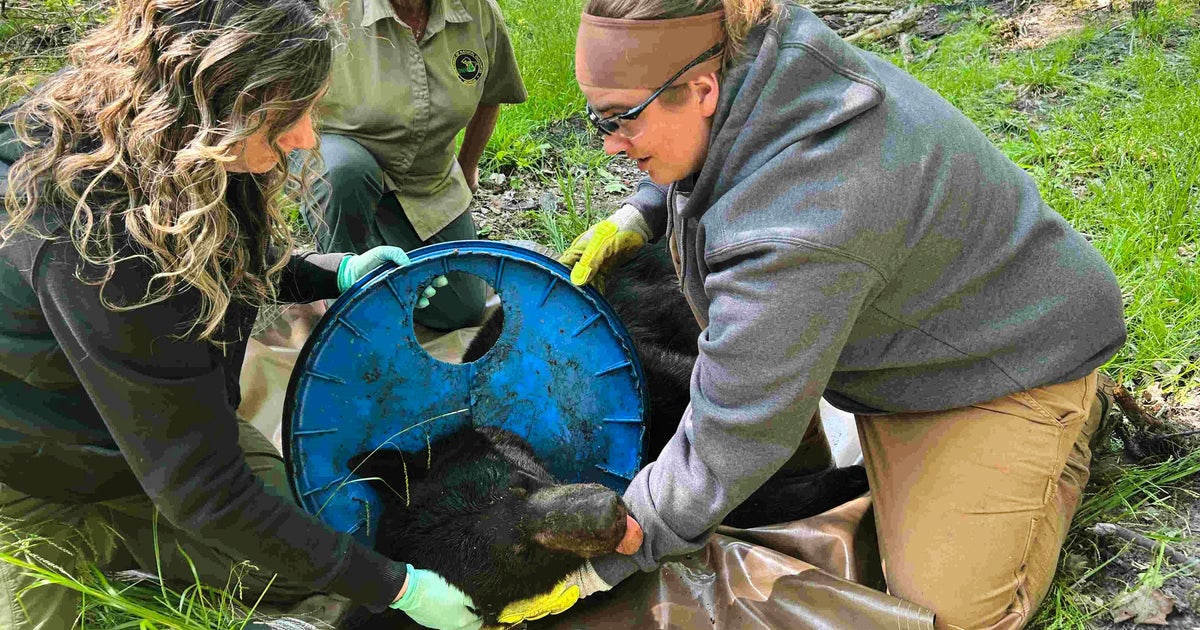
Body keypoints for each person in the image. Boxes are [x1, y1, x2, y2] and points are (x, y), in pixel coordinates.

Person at [551, 1, 1128, 628]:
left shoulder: (800, 220)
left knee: (955, 611)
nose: (609, 144)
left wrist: (601, 561)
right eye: (598, 117)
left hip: (1013, 360)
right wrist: (642, 211)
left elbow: (733, 435)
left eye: (621, 119)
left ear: (702, 89)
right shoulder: (763, 58)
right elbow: (715, 151)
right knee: (760, 420)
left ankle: (1067, 426)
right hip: (917, 325)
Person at [0, 1, 478, 628]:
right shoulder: (101, 243)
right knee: (73, 596)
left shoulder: (167, 139)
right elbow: (205, 492)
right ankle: (97, 543)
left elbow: (214, 252)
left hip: (155, 416)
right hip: (40, 468)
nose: (308, 137)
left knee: (312, 538)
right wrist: (397, 589)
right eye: (291, 117)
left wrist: (326, 272)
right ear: (217, 102)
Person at [304, 0, 528, 331]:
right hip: (341, 167)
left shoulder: (478, 10)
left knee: (462, 311)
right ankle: (347, 302)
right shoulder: (326, 9)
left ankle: (382, 246)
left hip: (428, 180)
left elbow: (491, 93)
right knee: (342, 172)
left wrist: (467, 168)